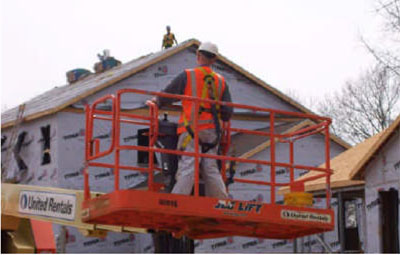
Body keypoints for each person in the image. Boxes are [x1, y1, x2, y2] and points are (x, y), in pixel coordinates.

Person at [151, 42, 233, 199]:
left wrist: (155, 101)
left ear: (198, 56)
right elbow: (227, 113)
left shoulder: (188, 75)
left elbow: (167, 95)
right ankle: (222, 203)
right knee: (210, 168)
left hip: (191, 130)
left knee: (188, 165)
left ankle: (177, 201)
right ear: (214, 59)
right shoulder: (221, 81)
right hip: (212, 133)